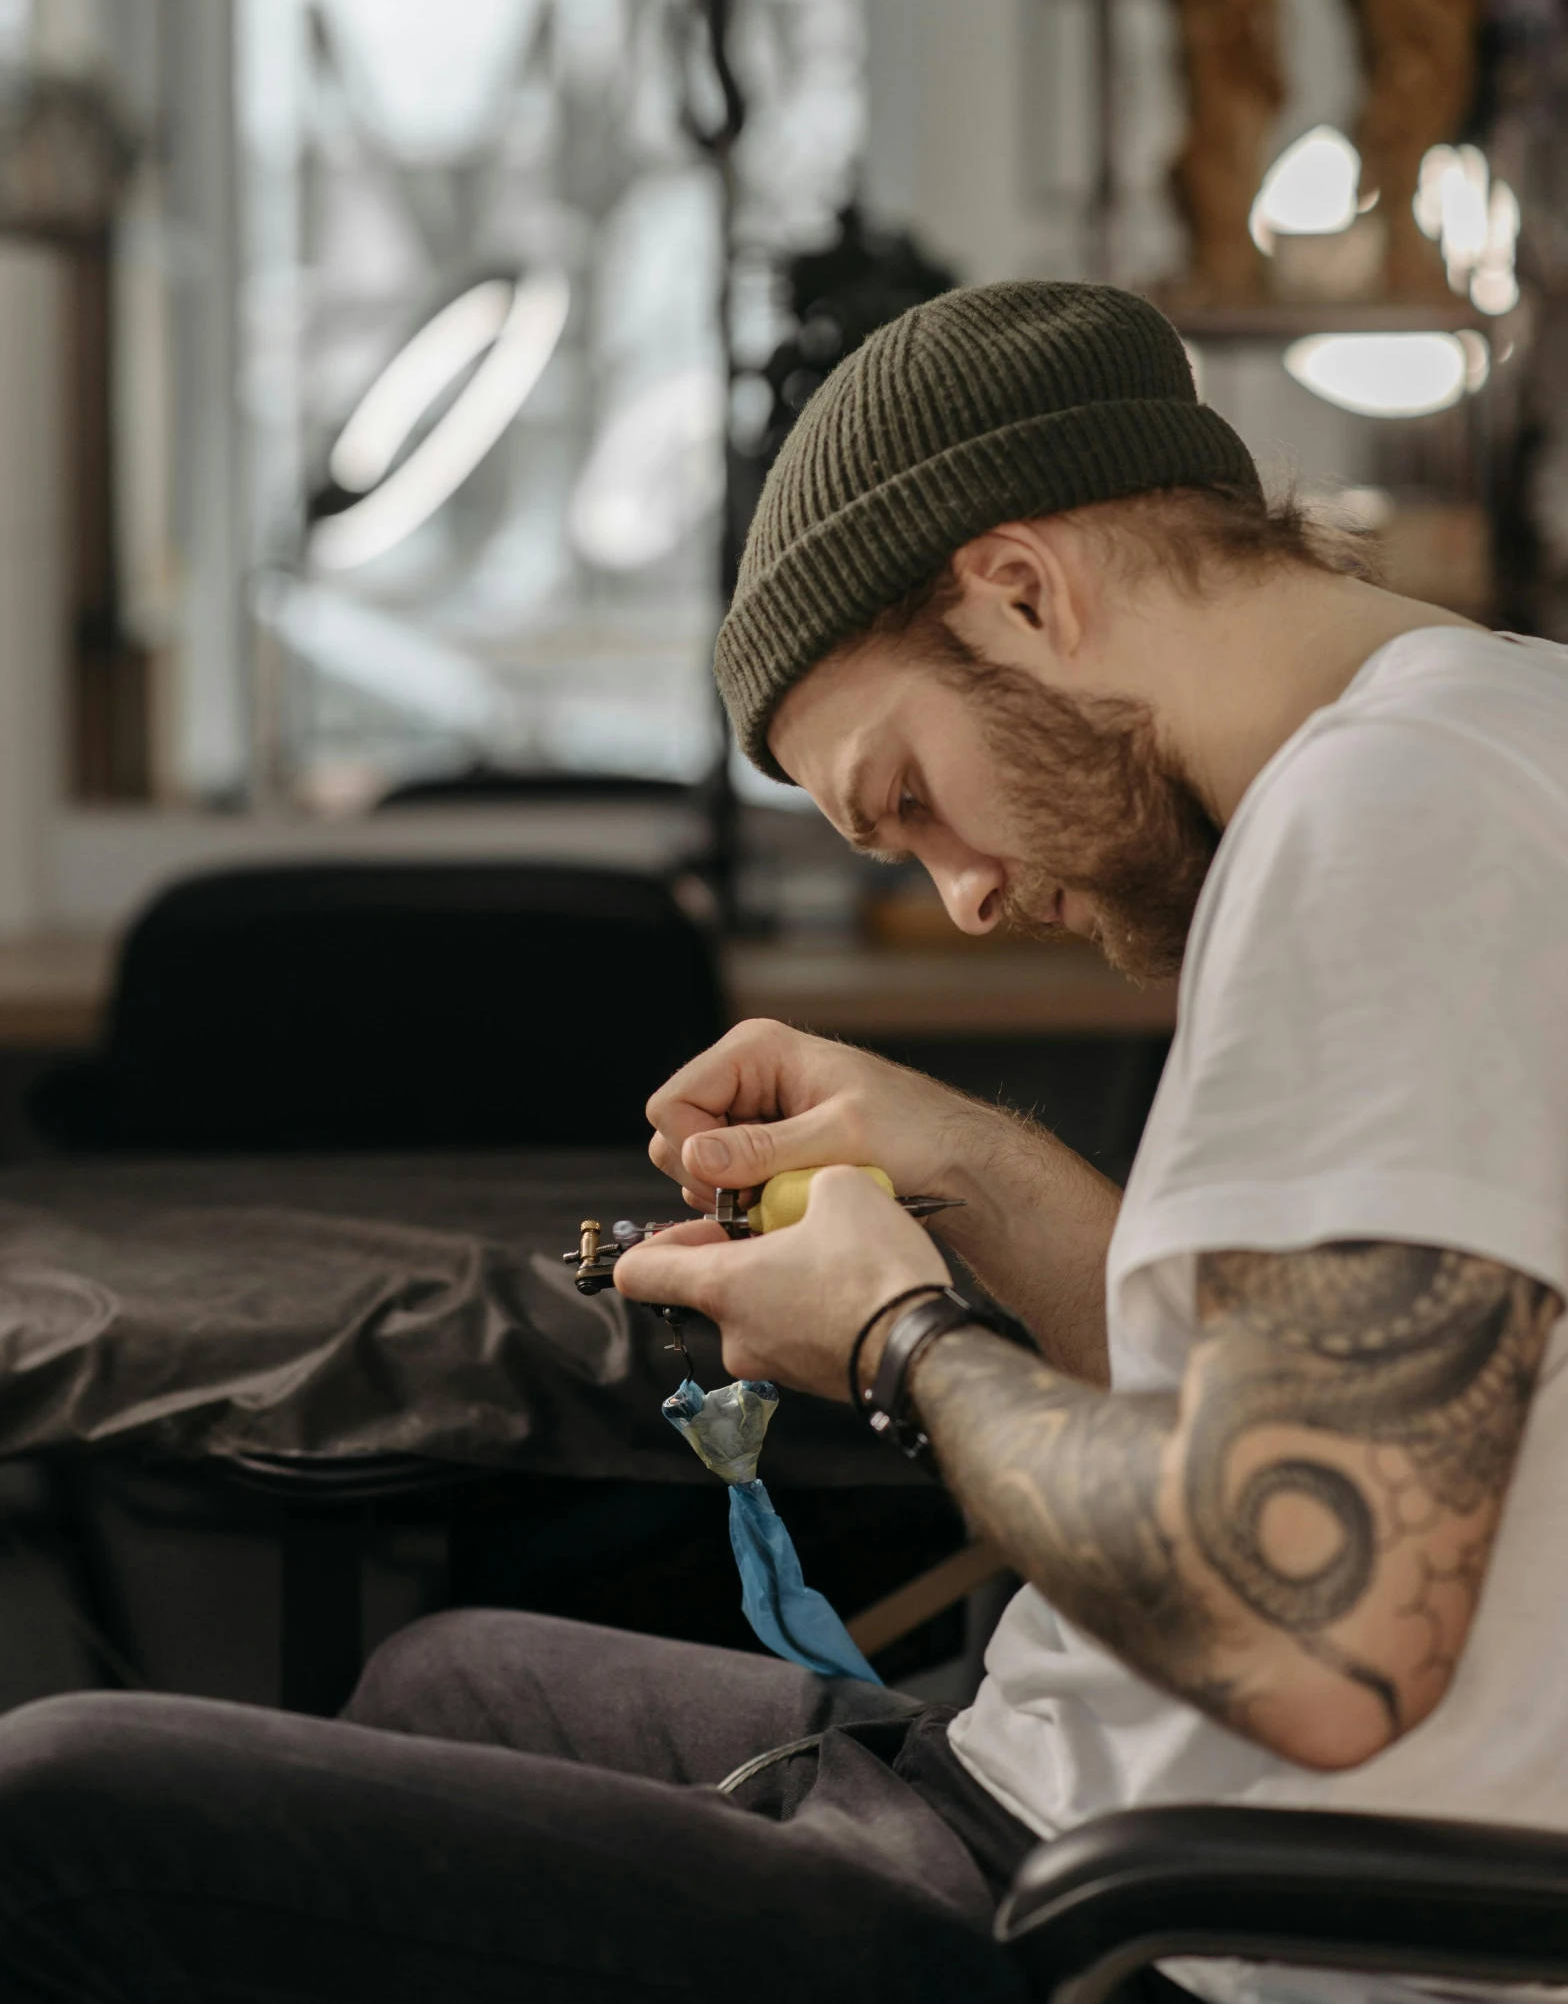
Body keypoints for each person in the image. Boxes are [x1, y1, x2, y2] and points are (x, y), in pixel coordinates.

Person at [0, 280, 1562, 2004]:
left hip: (1121, 1933)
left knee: (54, 1813)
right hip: (1055, 1790)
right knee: (454, 1676)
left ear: (1026, 595)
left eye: (907, 798)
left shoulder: (1395, 826)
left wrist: (900, 1337)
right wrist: (958, 1152)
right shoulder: (1472, 737)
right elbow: (1264, 1398)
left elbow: (1314, 1630)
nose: (962, 896)